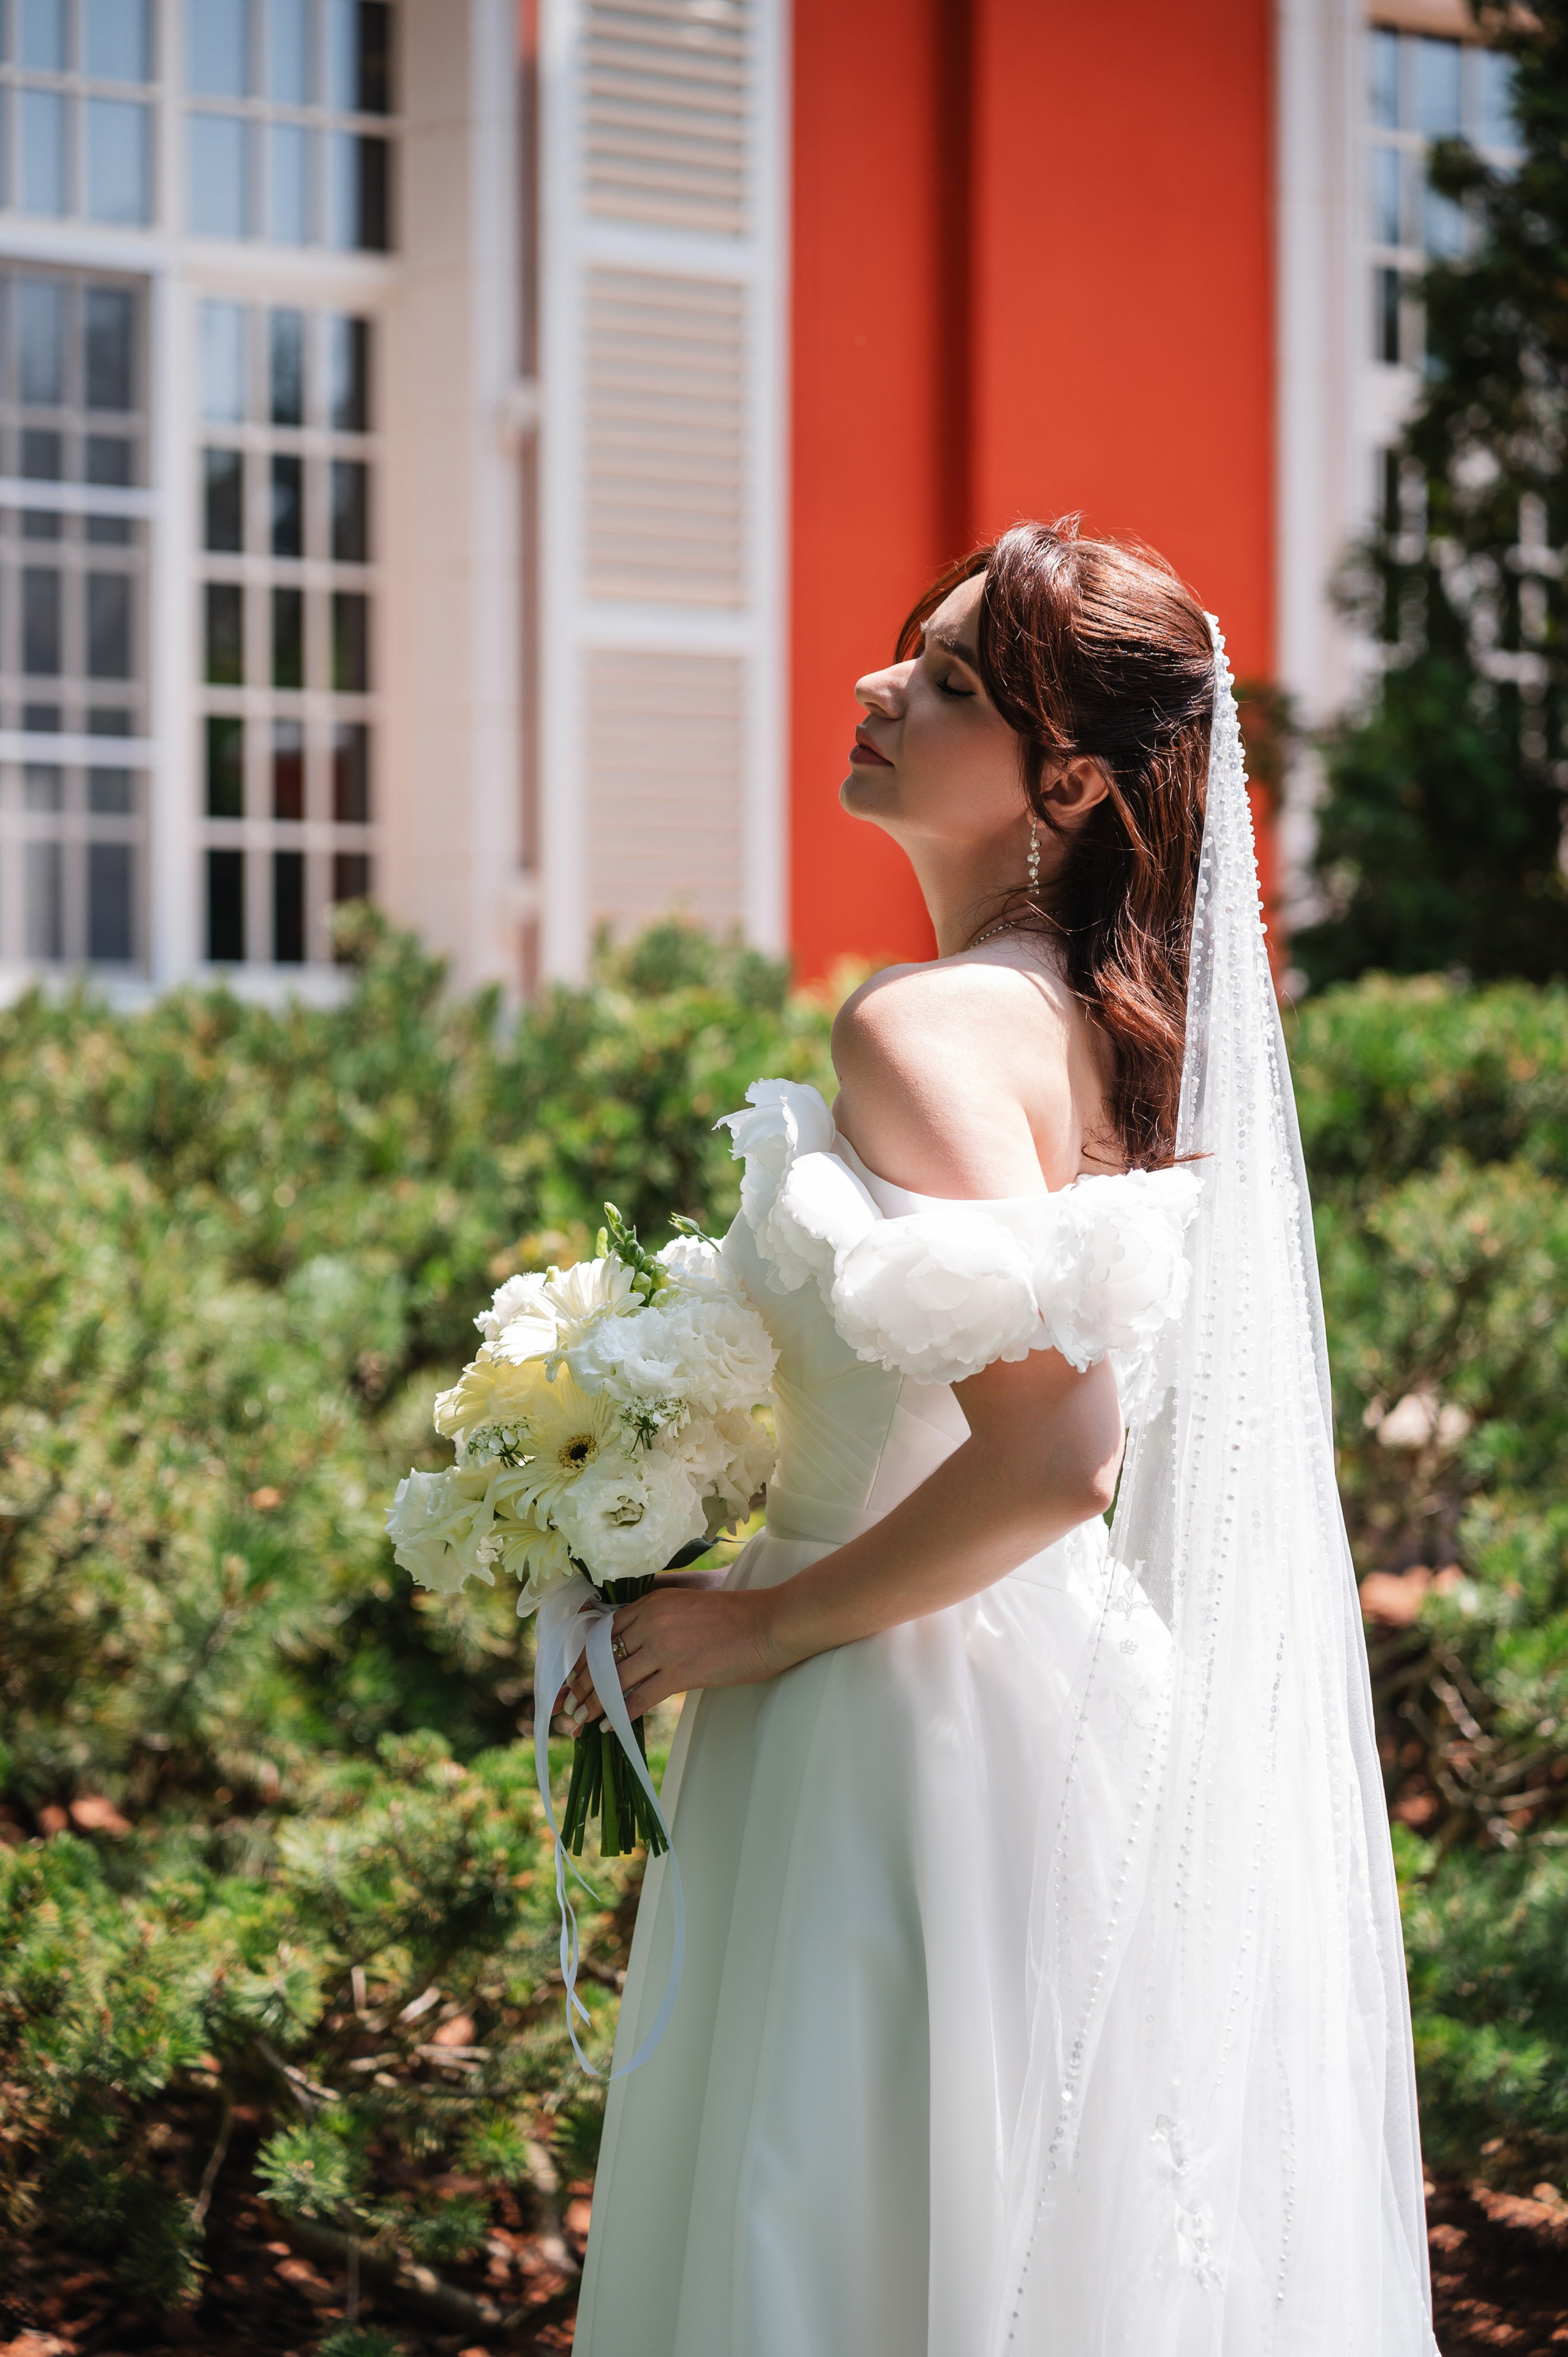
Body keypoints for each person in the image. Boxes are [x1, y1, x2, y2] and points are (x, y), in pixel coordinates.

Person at [563, 519, 1439, 2356]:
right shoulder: (1105, 1034)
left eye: (950, 683)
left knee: (849, 2236)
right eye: (912, 654)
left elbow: (1057, 1457)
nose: (880, 687)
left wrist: (747, 1623)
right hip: (1047, 1698)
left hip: (887, 1733)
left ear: (1071, 782)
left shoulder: (929, 1026)